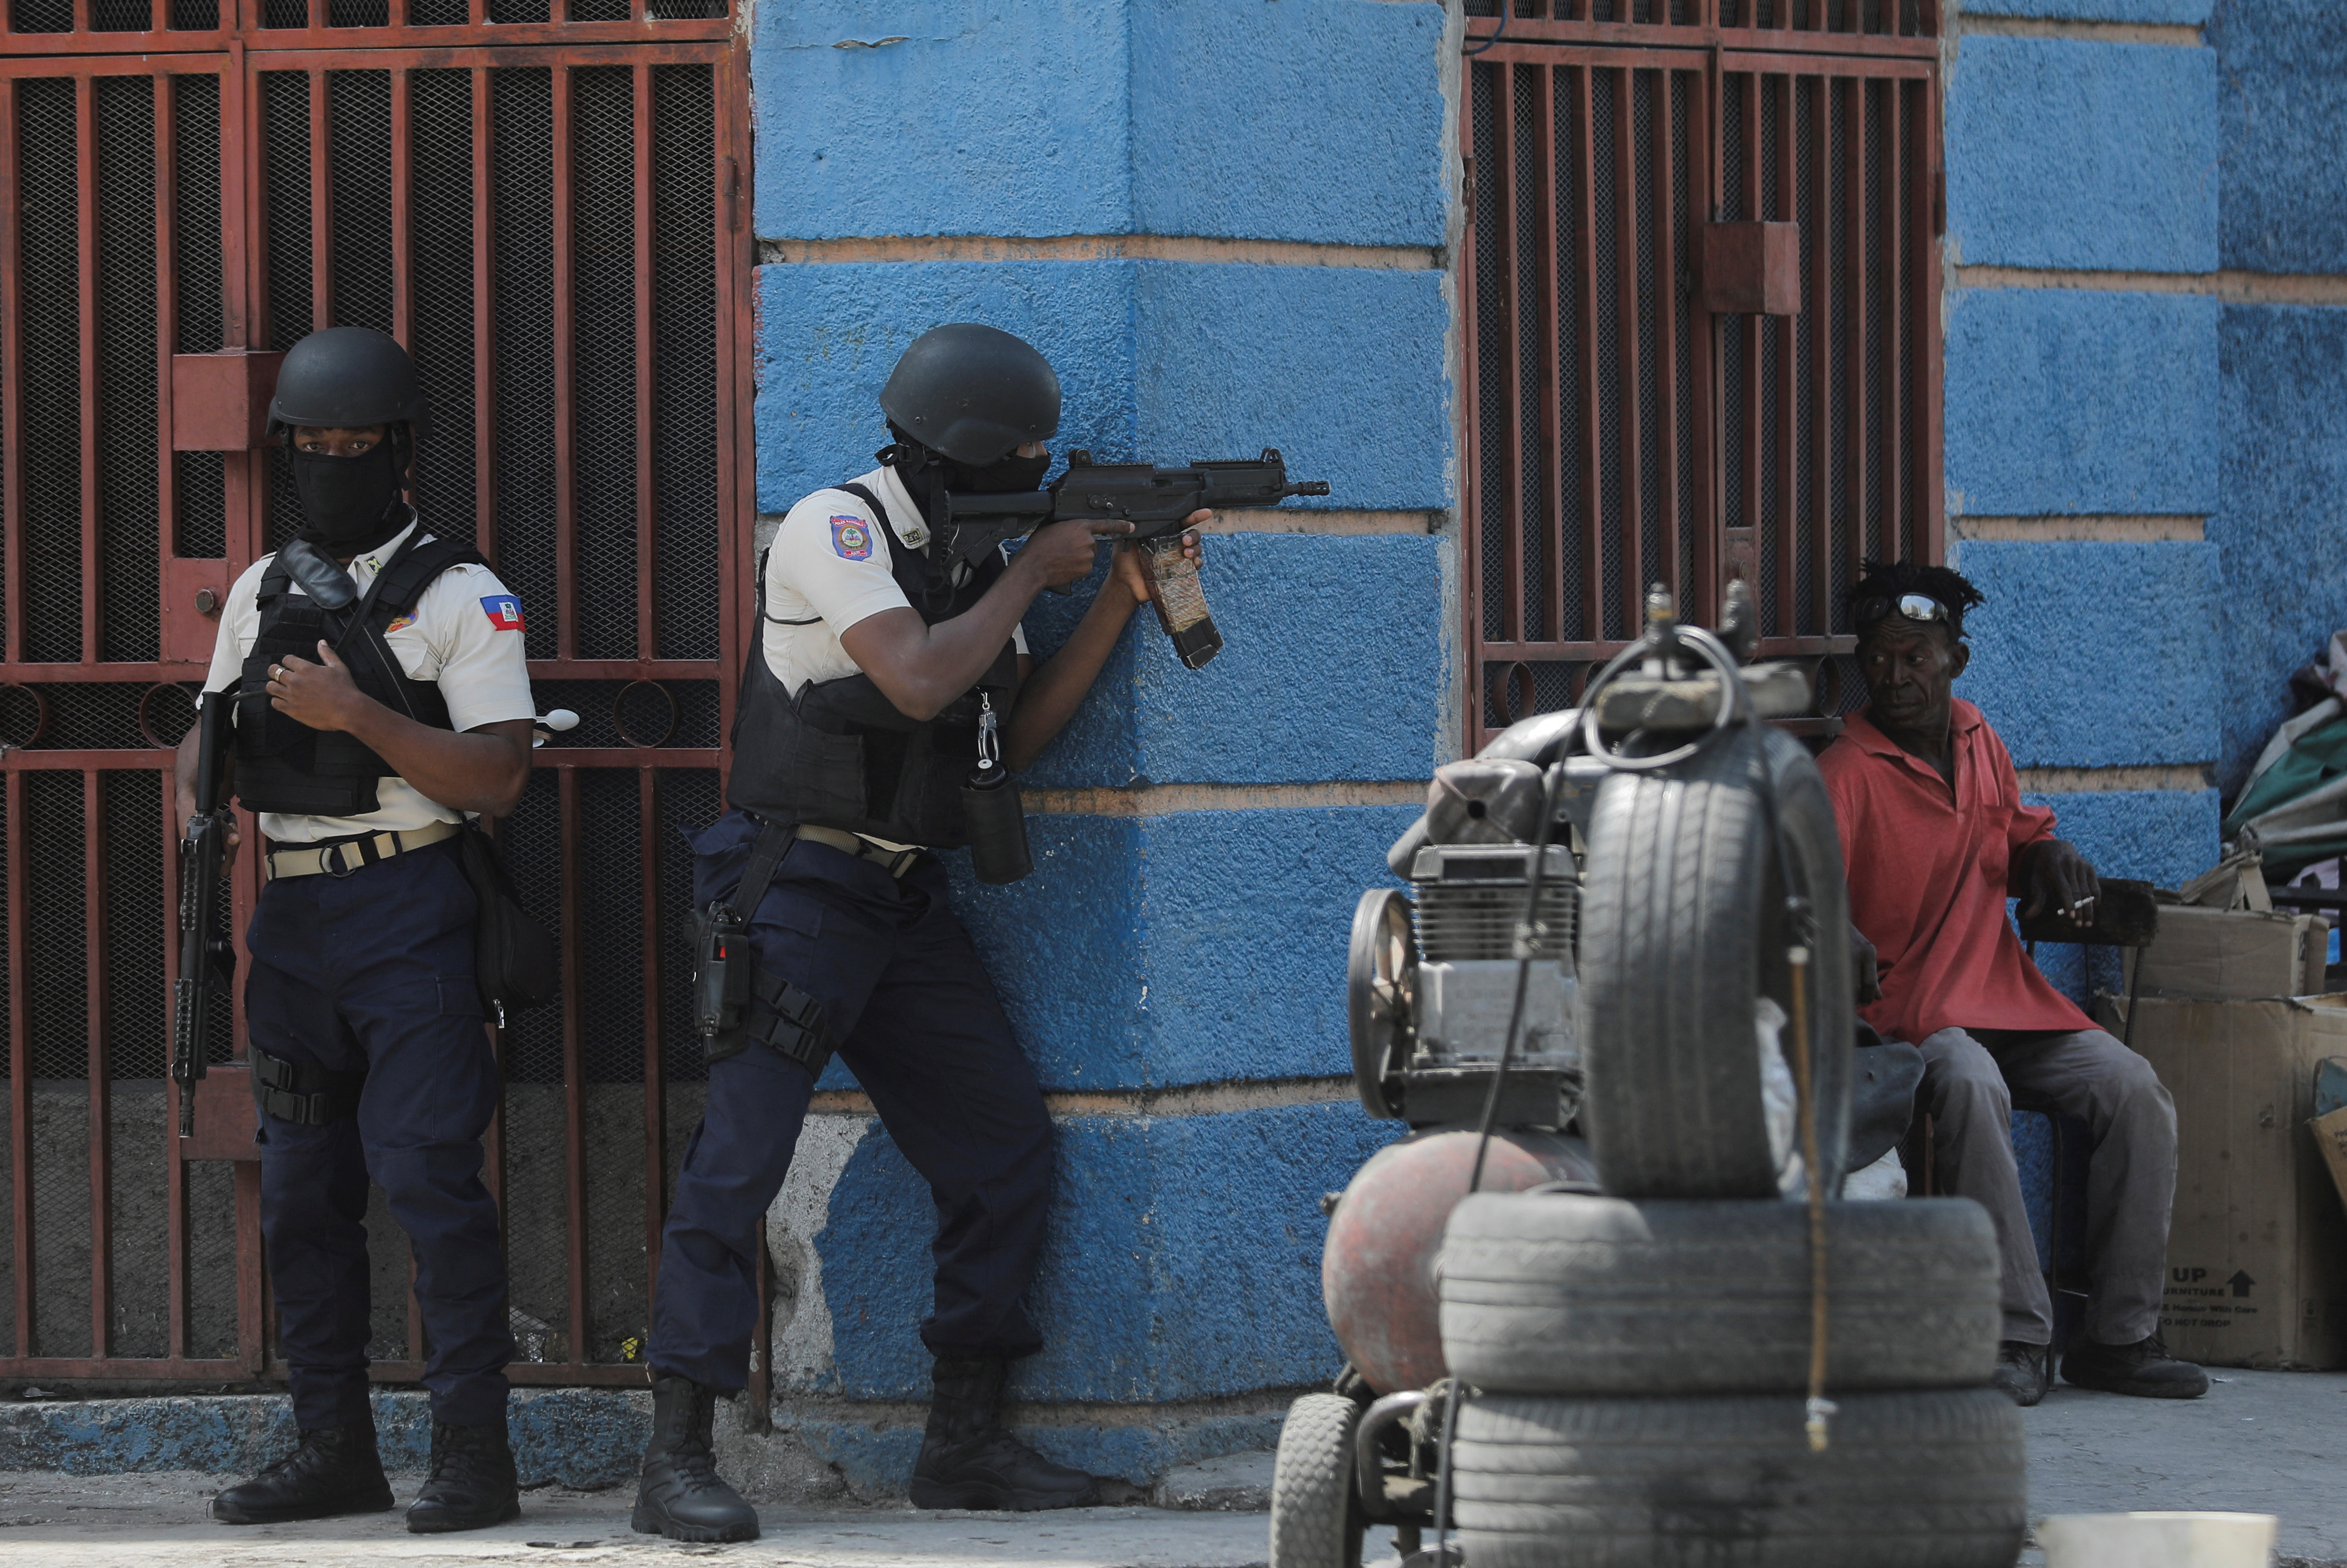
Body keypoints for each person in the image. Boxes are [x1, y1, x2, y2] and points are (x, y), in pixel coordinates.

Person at [632, 323, 1205, 1543]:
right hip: (794, 889)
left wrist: (1109, 594)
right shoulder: (835, 529)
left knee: (1001, 1147)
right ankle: (676, 1447)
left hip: (898, 900)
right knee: (736, 1163)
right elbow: (915, 680)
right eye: (1018, 454)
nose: (1033, 469)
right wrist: (1030, 574)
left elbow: (1020, 732)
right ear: (954, 450)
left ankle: (964, 1439)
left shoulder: (978, 555)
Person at [179, 327, 536, 1530]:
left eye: (353, 445)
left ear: (398, 450)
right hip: (294, 917)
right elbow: (206, 728)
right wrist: (199, 776)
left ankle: (473, 1457)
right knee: (300, 1194)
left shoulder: (460, 591)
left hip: (409, 904)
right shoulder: (261, 586)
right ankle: (334, 1446)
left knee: (430, 1178)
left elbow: (496, 778)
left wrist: (350, 711)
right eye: (311, 447)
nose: (331, 464)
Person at [1817, 561, 2206, 1408]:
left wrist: (2049, 853)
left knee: (2136, 1089)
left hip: (2004, 996)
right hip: (1905, 1016)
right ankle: (2017, 1333)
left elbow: (2021, 833)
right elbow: (1799, 890)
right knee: (1969, 1081)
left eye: (1916, 655)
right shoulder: (1847, 771)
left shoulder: (1977, 740)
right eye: (1880, 657)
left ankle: (2121, 1336)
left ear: (1957, 658)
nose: (1895, 675)